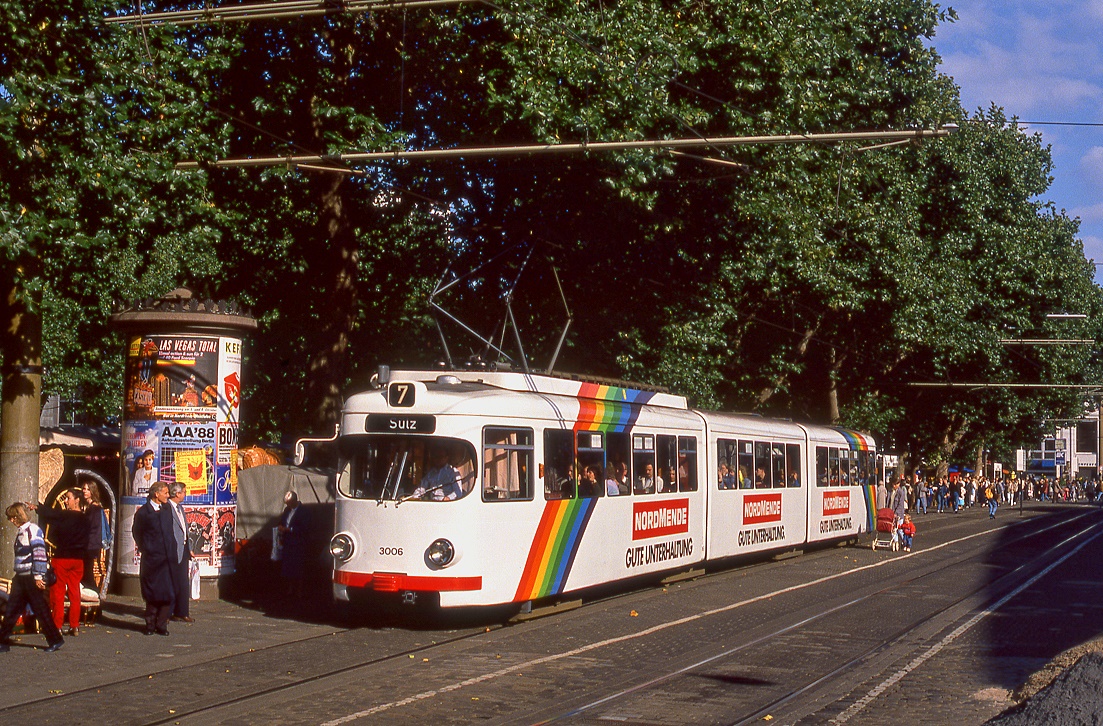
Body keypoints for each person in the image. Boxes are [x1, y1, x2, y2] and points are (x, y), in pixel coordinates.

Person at [0, 503, 64, 653]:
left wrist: (38, 576)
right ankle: (2, 640)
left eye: (12, 517)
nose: (11, 521)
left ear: (18, 516)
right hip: (21, 577)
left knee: (40, 610)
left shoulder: (32, 530)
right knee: (12, 610)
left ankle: (55, 639)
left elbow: (40, 553)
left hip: (29, 577)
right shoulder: (22, 532)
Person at [34, 488, 88, 636]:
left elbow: (50, 514)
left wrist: (37, 507)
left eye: (68, 498)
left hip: (62, 557)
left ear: (76, 500)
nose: (65, 501)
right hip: (78, 559)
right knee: (74, 591)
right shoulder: (85, 519)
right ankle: (74, 625)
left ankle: (57, 625)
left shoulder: (64, 516)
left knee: (57, 592)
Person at [132, 482, 175, 636]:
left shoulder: (167, 509)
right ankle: (150, 624)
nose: (168, 496)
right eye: (165, 493)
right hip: (151, 559)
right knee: (152, 593)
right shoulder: (144, 512)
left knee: (167, 592)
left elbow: (170, 531)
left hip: (166, 558)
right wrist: (146, 547)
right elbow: (137, 532)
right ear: (156, 494)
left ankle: (162, 624)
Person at [166, 484, 194, 623]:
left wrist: (189, 547)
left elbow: (184, 529)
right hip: (172, 550)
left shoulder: (180, 508)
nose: (185, 494)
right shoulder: (167, 508)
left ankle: (182, 611)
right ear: (176, 494)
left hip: (183, 549)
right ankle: (167, 612)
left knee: (183, 582)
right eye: (183, 492)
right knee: (171, 582)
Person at [278, 491, 310, 600]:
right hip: (287, 542)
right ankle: (290, 589)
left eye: (289, 503)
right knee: (288, 567)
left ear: (294, 501)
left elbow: (305, 528)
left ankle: (299, 591)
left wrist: (289, 529)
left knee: (298, 568)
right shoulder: (287, 510)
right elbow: (282, 521)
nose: (288, 505)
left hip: (298, 543)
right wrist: (281, 528)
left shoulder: (304, 511)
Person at [81, 478, 110, 592]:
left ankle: (93, 593)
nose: (85, 491)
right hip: (89, 543)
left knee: (88, 571)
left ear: (92, 491)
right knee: (86, 571)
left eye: (88, 489)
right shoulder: (89, 507)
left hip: (91, 544)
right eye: (84, 488)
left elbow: (93, 527)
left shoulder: (95, 508)